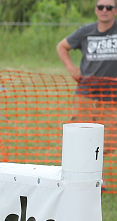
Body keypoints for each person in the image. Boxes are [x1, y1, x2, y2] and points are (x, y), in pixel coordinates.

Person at [57, 0, 117, 154]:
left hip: (112, 98)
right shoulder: (85, 31)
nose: (105, 10)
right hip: (86, 96)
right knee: (81, 141)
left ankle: (101, 177)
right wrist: (71, 69)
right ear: (96, 10)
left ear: (115, 11)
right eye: (100, 7)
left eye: (109, 7)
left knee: (106, 147)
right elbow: (62, 47)